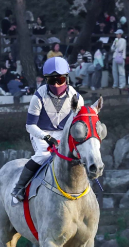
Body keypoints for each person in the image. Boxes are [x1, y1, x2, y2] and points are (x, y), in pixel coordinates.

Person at [12, 56, 81, 200]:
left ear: (66, 78)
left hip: (64, 133)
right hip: (41, 132)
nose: (56, 84)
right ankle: (19, 187)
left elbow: (78, 122)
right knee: (44, 155)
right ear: (46, 79)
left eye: (60, 80)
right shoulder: (38, 97)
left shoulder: (76, 97)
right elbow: (30, 125)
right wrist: (46, 137)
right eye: (51, 80)